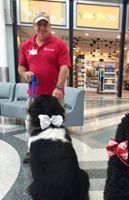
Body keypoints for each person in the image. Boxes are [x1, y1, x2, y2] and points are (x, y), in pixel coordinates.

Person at [18, 12, 71, 163]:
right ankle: (31, 150)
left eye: (45, 24)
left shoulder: (59, 44)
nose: (42, 27)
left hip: (55, 95)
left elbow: (64, 67)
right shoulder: (26, 46)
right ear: (34, 26)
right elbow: (21, 67)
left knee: (57, 124)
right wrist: (25, 74)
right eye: (39, 24)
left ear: (50, 26)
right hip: (34, 95)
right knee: (32, 124)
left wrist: (59, 87)